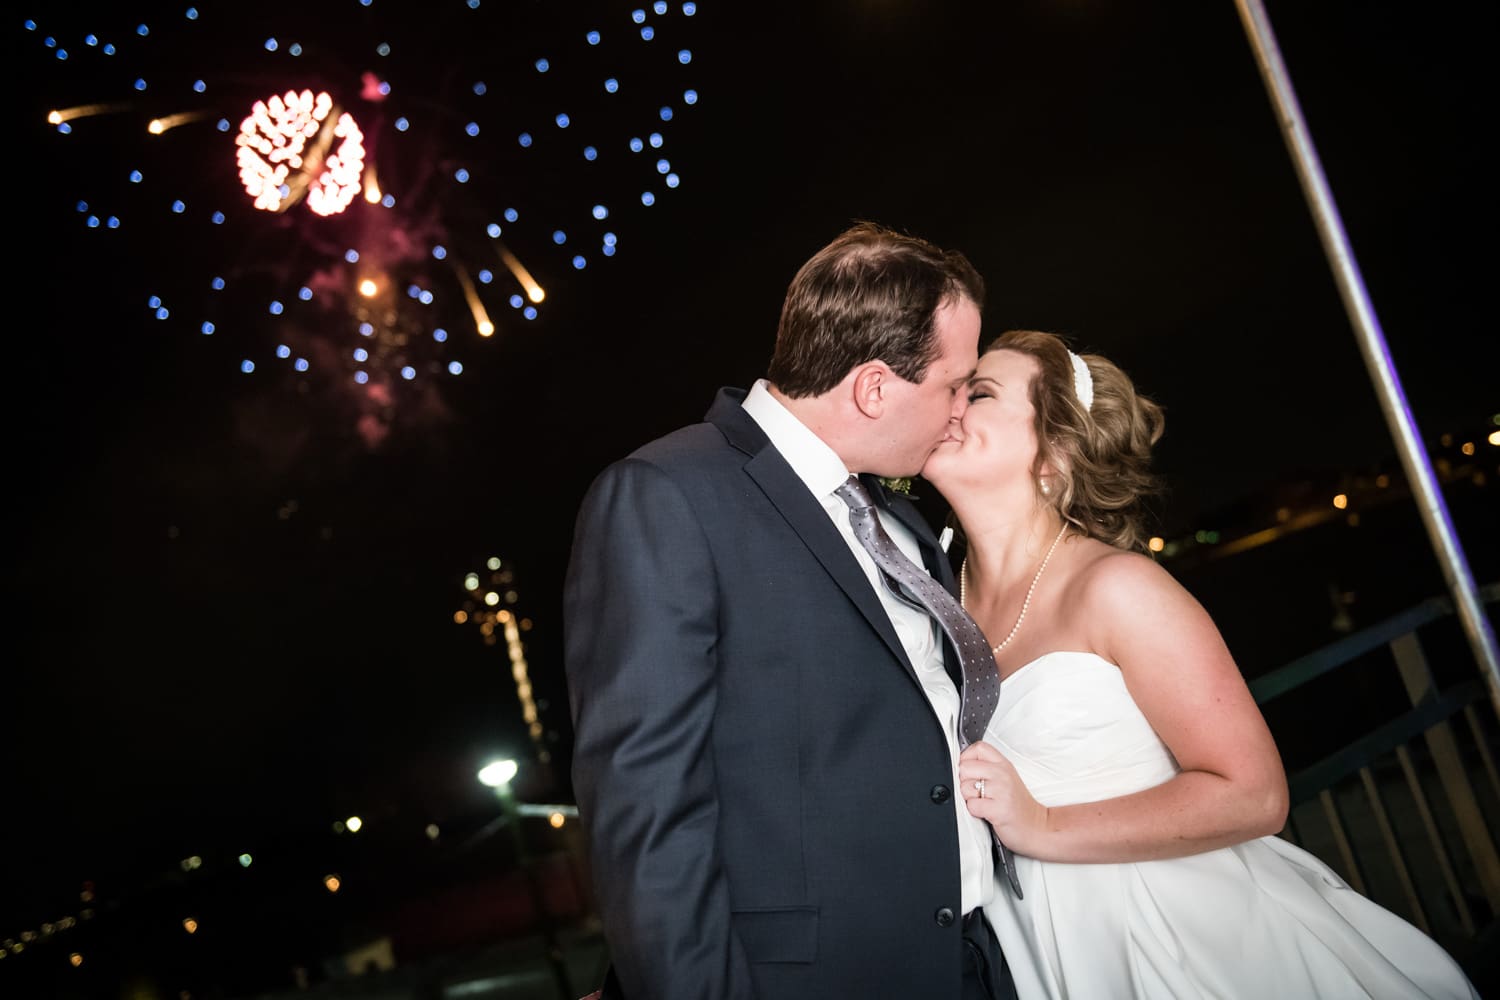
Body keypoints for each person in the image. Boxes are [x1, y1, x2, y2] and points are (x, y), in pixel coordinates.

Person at [922, 328, 1478, 999]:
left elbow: (1255, 794)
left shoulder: (1117, 588)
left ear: (1055, 453)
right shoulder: (932, 603)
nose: (948, 404)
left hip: (1165, 936)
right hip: (1027, 949)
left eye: (977, 393)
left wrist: (1041, 826)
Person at [563, 222, 1017, 999]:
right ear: (874, 386)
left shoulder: (894, 512)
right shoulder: (669, 497)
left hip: (976, 963)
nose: (961, 410)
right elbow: (649, 819)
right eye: (954, 384)